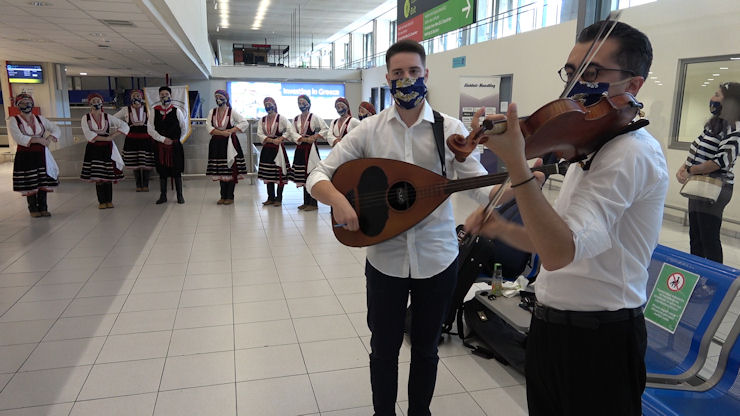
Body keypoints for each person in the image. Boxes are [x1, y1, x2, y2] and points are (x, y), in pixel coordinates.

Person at [464, 21, 668, 416]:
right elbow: (556, 240)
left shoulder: (631, 153)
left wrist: (518, 166)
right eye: (572, 72)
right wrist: (503, 228)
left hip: (600, 341)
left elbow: (560, 252)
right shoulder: (589, 144)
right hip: (552, 330)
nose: (576, 85)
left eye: (591, 74)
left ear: (634, 86)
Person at [307, 39, 494, 416]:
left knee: (426, 349)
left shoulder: (450, 130)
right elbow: (318, 175)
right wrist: (339, 201)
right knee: (384, 348)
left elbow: (484, 189)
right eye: (397, 73)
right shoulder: (369, 130)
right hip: (385, 261)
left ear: (426, 74)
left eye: (413, 72)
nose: (406, 79)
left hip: (438, 260)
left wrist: (523, 177)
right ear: (388, 78)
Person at [676, 82, 739, 264]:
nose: (713, 98)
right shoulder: (714, 125)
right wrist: (683, 168)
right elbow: (698, 151)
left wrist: (690, 170)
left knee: (708, 238)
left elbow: (720, 162)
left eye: (717, 95)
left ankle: (712, 282)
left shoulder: (735, 129)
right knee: (695, 236)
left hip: (716, 188)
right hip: (698, 185)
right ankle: (695, 275)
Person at [8, 93, 61, 217]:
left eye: (28, 102)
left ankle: (43, 208)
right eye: (23, 103)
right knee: (30, 181)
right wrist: (38, 140)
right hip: (25, 155)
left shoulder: (40, 119)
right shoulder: (13, 120)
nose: (26, 105)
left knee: (42, 181)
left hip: (41, 155)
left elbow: (55, 128)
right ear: (18, 105)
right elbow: (18, 137)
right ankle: (33, 209)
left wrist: (50, 138)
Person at [80, 93, 129, 209]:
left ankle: (109, 200)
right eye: (94, 100)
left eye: (98, 100)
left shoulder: (107, 116)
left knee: (108, 176)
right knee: (98, 176)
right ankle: (101, 201)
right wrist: (106, 138)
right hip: (94, 148)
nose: (96, 102)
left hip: (107, 148)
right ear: (90, 103)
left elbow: (124, 125)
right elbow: (88, 134)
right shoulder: (85, 117)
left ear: (102, 103)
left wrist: (113, 136)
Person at [205, 89, 249, 205]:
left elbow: (244, 122)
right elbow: (208, 126)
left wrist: (231, 130)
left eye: (221, 97)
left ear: (226, 98)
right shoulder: (212, 112)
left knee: (230, 168)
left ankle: (230, 196)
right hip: (217, 143)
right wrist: (221, 133)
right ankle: (222, 195)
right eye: (217, 97)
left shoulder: (231, 111)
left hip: (230, 143)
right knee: (221, 169)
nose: (218, 99)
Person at [147, 86, 188, 204]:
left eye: (166, 94)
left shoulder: (177, 111)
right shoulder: (154, 111)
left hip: (175, 146)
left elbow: (183, 128)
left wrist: (177, 141)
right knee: (162, 171)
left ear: (171, 96)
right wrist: (162, 139)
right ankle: (163, 195)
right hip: (160, 146)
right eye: (162, 95)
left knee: (177, 170)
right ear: (159, 97)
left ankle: (180, 195)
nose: (164, 96)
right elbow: (150, 129)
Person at [256, 97, 298, 207]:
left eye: (269, 104)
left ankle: (279, 198)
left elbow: (290, 129)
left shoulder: (281, 118)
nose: (268, 106)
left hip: (278, 148)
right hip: (267, 148)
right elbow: (260, 133)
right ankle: (270, 197)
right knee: (268, 173)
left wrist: (281, 138)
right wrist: (270, 140)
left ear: (274, 105)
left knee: (280, 172)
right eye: (265, 105)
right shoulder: (262, 119)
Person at [290, 94, 328, 211]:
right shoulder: (296, 119)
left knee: (311, 174)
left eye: (303, 103)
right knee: (302, 175)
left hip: (310, 149)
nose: (301, 105)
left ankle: (313, 203)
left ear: (309, 104)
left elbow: (325, 128)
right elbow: (292, 132)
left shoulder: (314, 117)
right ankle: (306, 202)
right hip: (301, 148)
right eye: (299, 103)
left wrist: (315, 136)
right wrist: (302, 139)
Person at [113, 89, 155, 192]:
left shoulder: (148, 109)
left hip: (146, 139)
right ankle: (138, 185)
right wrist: (122, 127)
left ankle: (145, 184)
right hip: (132, 140)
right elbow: (113, 118)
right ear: (131, 98)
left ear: (142, 97)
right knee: (135, 163)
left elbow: (154, 122)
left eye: (138, 95)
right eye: (134, 96)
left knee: (146, 163)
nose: (136, 97)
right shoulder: (125, 110)